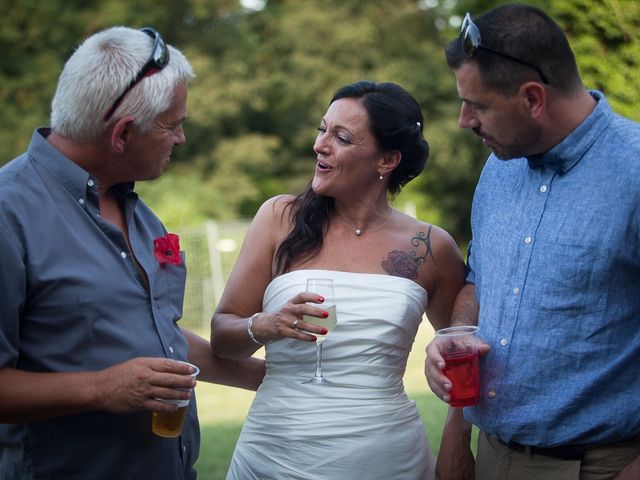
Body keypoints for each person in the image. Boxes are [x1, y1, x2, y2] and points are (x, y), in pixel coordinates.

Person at [0, 26, 264, 479]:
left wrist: (267, 378)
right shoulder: (9, 213)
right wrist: (101, 388)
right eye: (172, 125)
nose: (180, 138)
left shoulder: (139, 214)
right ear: (122, 134)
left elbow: (163, 341)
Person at [210, 80, 466, 479]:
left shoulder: (430, 247)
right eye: (322, 129)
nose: (320, 145)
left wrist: (456, 438)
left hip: (388, 460)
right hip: (273, 456)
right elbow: (222, 337)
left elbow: (463, 353)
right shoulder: (279, 218)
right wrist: (267, 324)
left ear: (387, 160)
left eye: (341, 137)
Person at [425, 4, 640, 480]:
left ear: (533, 98)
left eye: (477, 105)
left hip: (600, 465)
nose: (464, 120)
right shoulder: (498, 168)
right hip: (494, 456)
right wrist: (457, 337)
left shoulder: (635, 171)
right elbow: (480, 283)